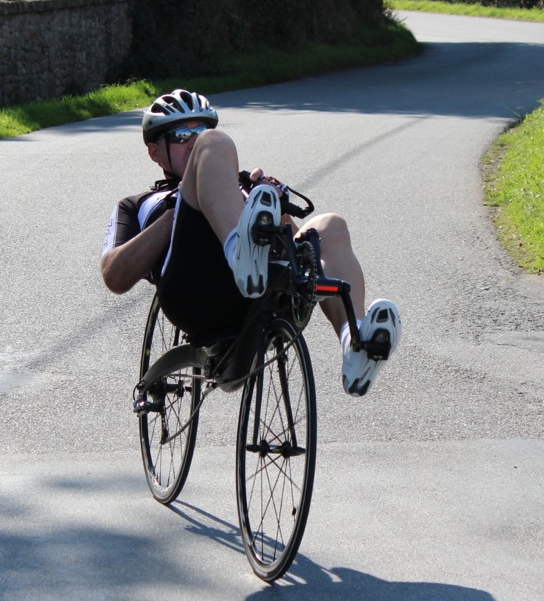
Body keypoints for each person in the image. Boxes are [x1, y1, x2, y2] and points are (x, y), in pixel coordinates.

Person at [101, 89, 401, 396]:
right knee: (216, 145)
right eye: (180, 134)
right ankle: (238, 249)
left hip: (263, 293)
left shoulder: (239, 186)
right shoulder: (140, 204)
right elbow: (115, 275)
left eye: (201, 130)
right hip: (194, 290)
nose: (193, 140)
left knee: (330, 226)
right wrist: (173, 214)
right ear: (155, 152)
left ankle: (356, 342)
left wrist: (274, 206)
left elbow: (303, 251)